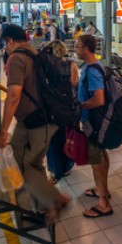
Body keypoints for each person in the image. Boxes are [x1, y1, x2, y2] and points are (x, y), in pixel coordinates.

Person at [0, 25, 69, 220]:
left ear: (10, 41)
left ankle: (55, 200)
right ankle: (42, 207)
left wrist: (3, 130)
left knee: (19, 166)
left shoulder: (16, 59)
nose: (6, 48)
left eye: (5, 44)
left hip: (34, 121)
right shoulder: (37, 54)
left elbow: (13, 95)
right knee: (34, 163)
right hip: (48, 119)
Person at [75, 35, 112, 218]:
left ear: (86, 49)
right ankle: (101, 190)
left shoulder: (92, 71)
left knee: (96, 161)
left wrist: (81, 106)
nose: (75, 49)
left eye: (78, 46)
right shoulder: (95, 67)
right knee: (101, 155)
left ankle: (104, 203)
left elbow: (99, 99)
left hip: (93, 122)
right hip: (96, 121)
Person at [45, 40, 80, 184]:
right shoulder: (72, 64)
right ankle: (67, 166)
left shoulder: (47, 66)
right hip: (69, 108)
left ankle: (56, 171)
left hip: (53, 109)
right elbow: (75, 83)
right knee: (68, 137)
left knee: (53, 141)